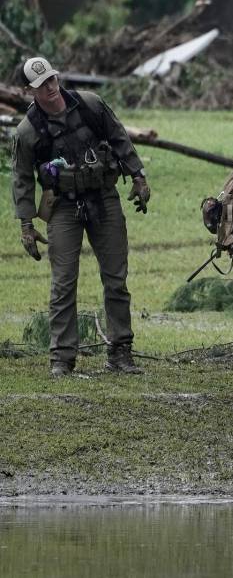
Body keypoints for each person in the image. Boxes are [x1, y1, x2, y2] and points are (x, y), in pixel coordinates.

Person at [11, 57, 150, 377]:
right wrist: (26, 224)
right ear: (29, 91)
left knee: (116, 278)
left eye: (51, 79)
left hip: (104, 198)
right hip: (62, 206)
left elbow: (119, 137)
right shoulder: (27, 131)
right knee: (63, 283)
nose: (50, 87)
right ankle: (62, 358)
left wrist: (138, 176)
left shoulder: (90, 104)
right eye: (41, 84)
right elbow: (21, 179)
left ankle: (120, 352)